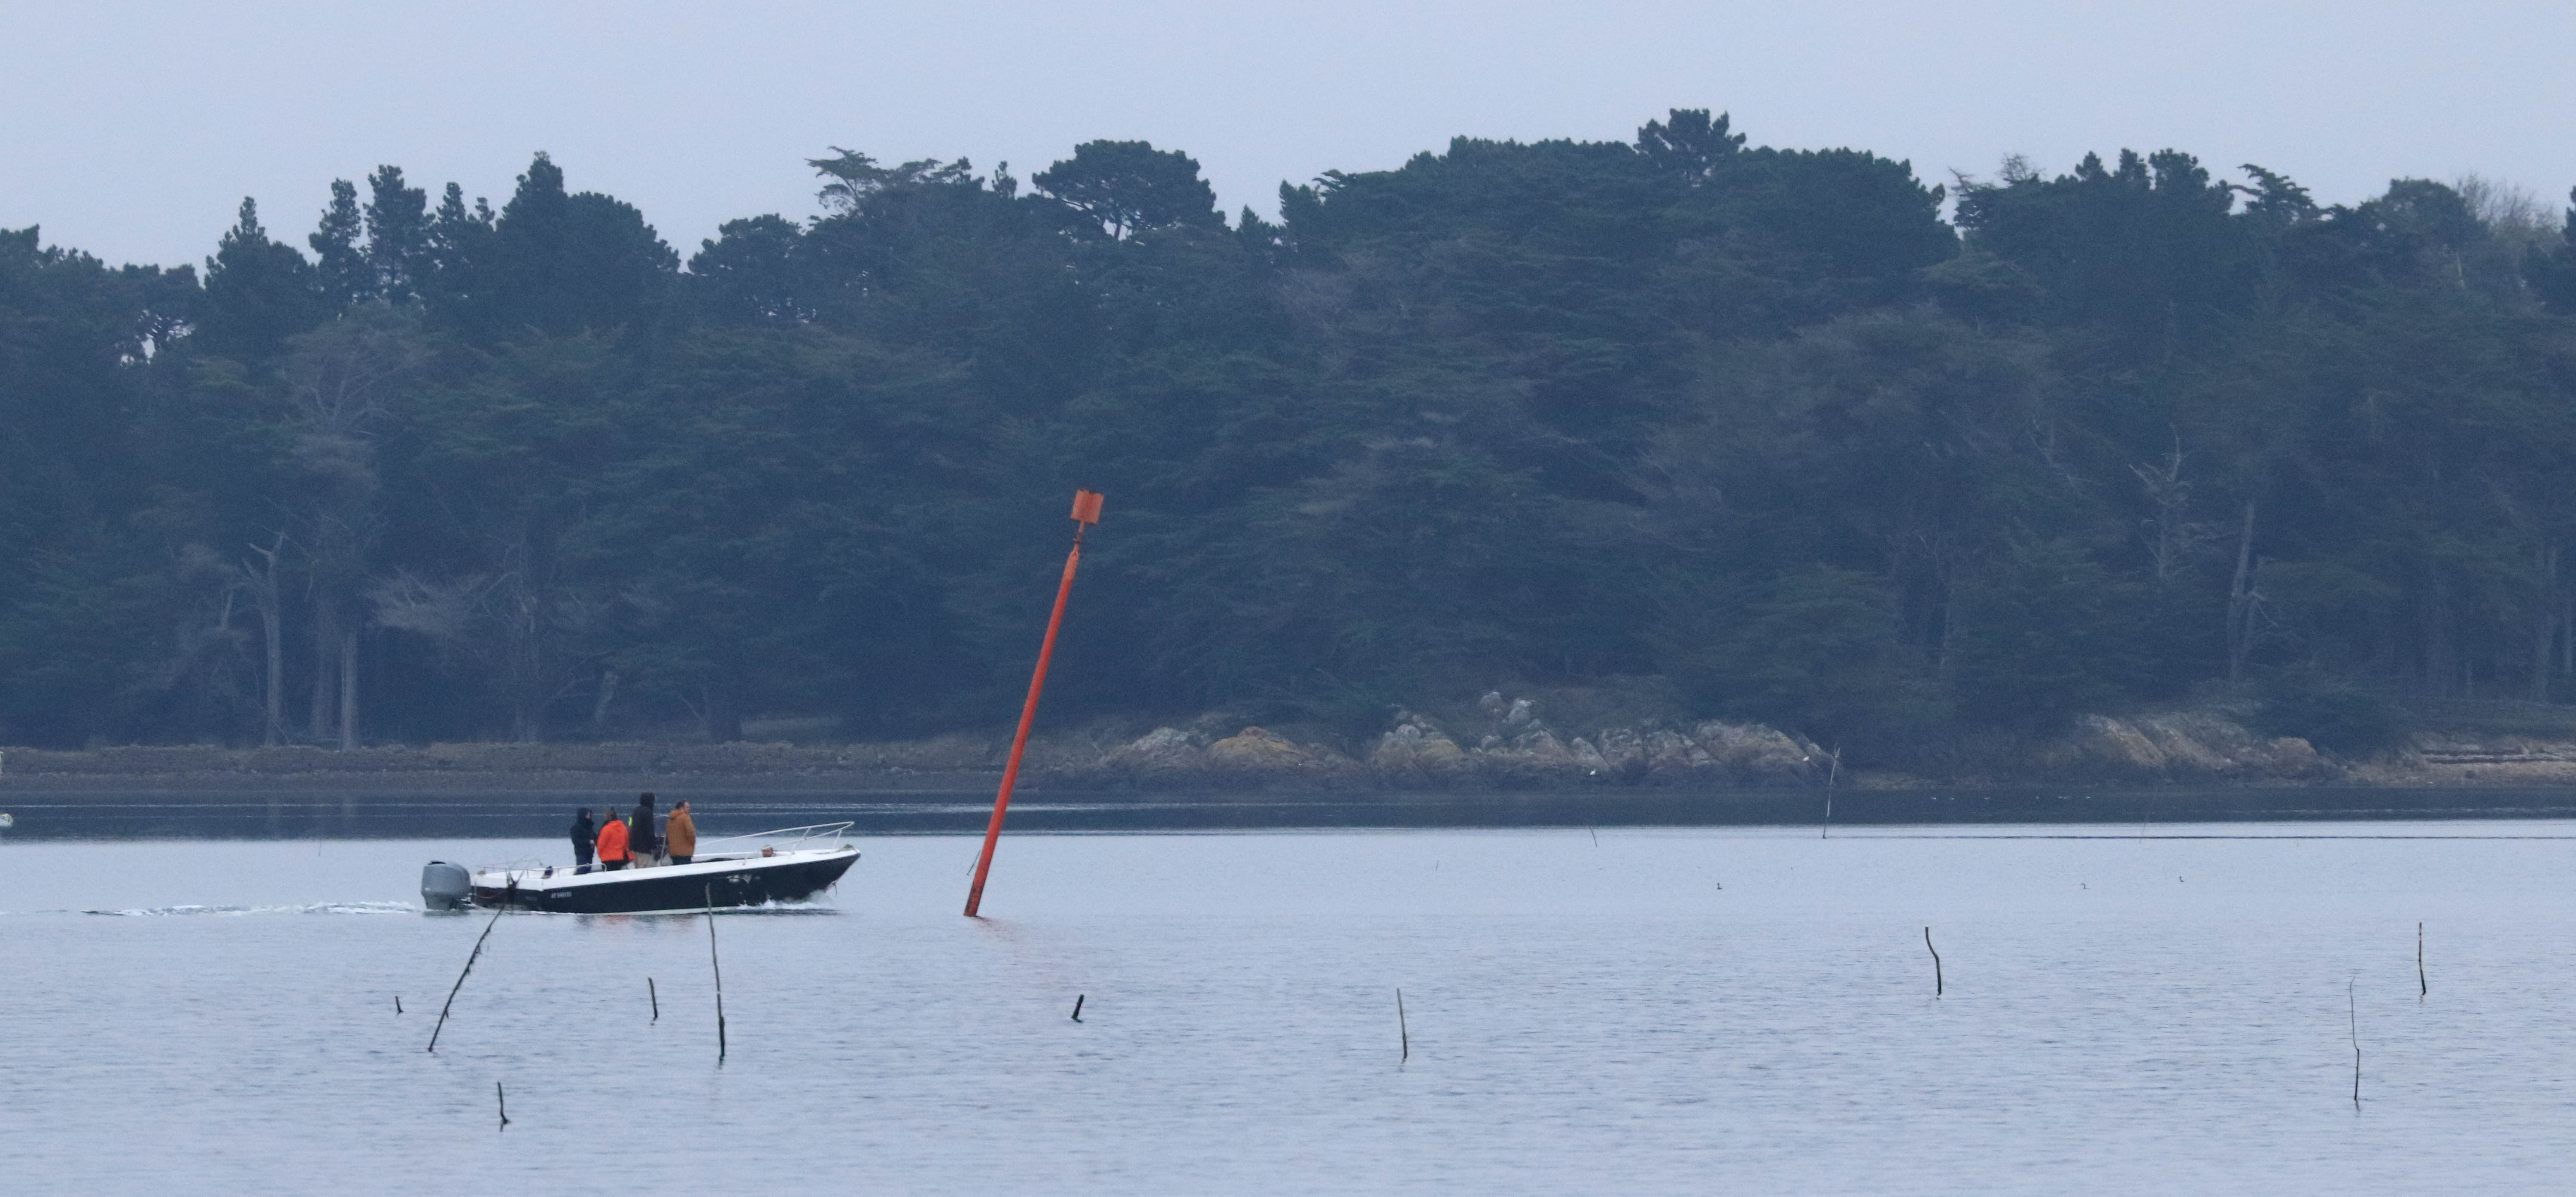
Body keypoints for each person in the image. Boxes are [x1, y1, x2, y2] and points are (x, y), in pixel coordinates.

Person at [594, 806, 631, 871]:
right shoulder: (623, 828)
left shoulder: (606, 829)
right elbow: (626, 843)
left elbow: (600, 845)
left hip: (607, 859)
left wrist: (601, 855)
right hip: (620, 858)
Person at [630, 793, 662, 867]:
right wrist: (654, 846)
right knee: (645, 870)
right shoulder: (648, 813)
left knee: (637, 868)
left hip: (634, 847)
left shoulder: (636, 811)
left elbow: (634, 828)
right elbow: (649, 831)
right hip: (644, 848)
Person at [665, 799, 696, 865]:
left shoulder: (671, 819)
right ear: (682, 808)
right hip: (685, 852)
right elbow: (691, 832)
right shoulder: (685, 817)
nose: (689, 809)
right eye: (687, 807)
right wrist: (692, 843)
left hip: (674, 853)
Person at [570, 807, 597, 874]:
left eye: (589, 815)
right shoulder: (576, 828)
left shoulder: (590, 827)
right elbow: (576, 842)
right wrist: (589, 842)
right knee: (582, 871)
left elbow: (595, 836)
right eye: (587, 815)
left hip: (590, 853)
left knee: (588, 871)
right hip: (582, 854)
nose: (589, 816)